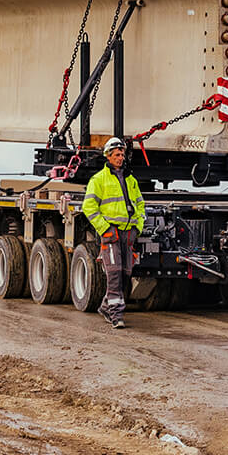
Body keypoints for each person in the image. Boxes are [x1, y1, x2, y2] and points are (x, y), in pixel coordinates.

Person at [81, 137, 145, 329]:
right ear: (108, 156)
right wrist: (105, 229)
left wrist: (137, 228)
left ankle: (105, 306)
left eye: (122, 154)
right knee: (114, 273)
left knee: (126, 273)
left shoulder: (131, 180)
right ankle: (116, 315)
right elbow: (89, 207)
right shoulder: (98, 180)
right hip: (111, 233)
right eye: (117, 154)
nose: (120, 157)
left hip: (127, 234)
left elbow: (141, 205)